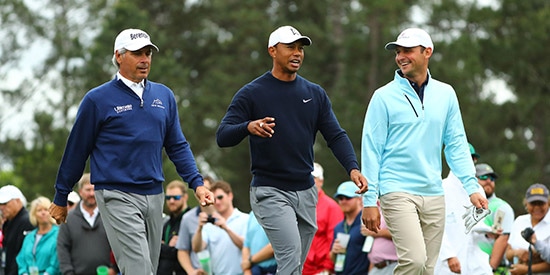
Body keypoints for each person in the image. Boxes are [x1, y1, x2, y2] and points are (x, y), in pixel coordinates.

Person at [48, 28, 214, 275]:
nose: (145, 59)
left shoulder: (164, 96)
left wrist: (197, 183)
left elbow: (177, 145)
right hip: (117, 194)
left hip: (155, 194)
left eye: (148, 53)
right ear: (119, 56)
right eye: (137, 54)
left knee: (148, 268)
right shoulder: (97, 99)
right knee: (139, 269)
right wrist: (61, 197)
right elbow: (76, 151)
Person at [216, 25, 367, 274]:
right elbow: (223, 136)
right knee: (290, 255)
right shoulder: (252, 93)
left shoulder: (314, 94)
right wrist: (248, 126)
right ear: (272, 51)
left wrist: (352, 168)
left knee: (296, 262)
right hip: (270, 190)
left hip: (306, 192)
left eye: (300, 48)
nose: (297, 53)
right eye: (290, 47)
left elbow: (335, 135)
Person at [361, 27, 488, 275]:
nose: (401, 57)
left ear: (427, 52)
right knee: (415, 261)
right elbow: (371, 150)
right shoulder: (382, 97)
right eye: (398, 52)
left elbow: (456, 144)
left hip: (433, 192)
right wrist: (369, 200)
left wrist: (471, 187)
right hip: (396, 189)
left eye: (407, 50)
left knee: (428, 269)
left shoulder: (446, 94)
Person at [435, 143, 492, 275]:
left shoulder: (479, 190)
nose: (470, 162)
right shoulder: (441, 188)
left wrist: (489, 233)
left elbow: (477, 227)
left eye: (473, 159)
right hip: (447, 263)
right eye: (465, 157)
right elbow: (435, 226)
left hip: (474, 262)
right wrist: (448, 255)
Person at [57, 173, 114, 275]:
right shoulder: (68, 219)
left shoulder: (109, 217)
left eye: (94, 189)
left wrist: (114, 269)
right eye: (88, 190)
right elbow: (62, 248)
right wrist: (68, 272)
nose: (92, 193)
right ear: (80, 192)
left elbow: (118, 244)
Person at [192, 180, 249, 275]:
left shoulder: (245, 219)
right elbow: (197, 248)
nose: (217, 202)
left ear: (230, 196)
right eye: (214, 199)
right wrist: (199, 228)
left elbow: (247, 246)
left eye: (220, 197)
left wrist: (226, 228)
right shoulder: (209, 224)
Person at [303, 163, 343, 275]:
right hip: (300, 269)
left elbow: (334, 239)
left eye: (313, 178)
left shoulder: (331, 207)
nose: (309, 181)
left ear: (321, 181)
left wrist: (328, 268)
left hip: (321, 270)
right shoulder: (298, 205)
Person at [474, 163, 515, 273]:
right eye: (483, 177)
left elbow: (502, 239)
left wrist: (490, 269)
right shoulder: (464, 204)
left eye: (492, 178)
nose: (488, 181)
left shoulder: (501, 207)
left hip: (491, 269)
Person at [506, 183, 550, 274]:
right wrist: (517, 253)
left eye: (541, 203)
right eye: (533, 203)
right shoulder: (520, 221)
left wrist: (526, 269)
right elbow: (508, 253)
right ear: (526, 203)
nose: (537, 207)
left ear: (548, 203)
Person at [329, 181, 370, 274]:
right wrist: (334, 252)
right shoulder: (339, 227)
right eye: (340, 198)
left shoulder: (367, 222)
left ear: (359, 199)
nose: (343, 201)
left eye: (348, 198)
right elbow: (332, 258)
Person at [176, 176, 214, 275]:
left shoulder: (225, 215)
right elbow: (182, 250)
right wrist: (191, 271)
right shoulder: (187, 218)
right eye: (199, 191)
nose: (203, 194)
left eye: (207, 190)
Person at [16, 196, 60, 275]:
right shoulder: (29, 237)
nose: (43, 213)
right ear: (34, 214)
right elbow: (21, 259)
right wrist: (23, 273)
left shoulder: (58, 234)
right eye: (39, 210)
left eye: (46, 209)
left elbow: (57, 262)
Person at [0, 185, 35, 275]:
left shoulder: (27, 221)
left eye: (5, 203)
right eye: (0, 204)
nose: (1, 207)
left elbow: (22, 255)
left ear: (18, 201)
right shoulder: (8, 222)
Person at [158, 180, 191, 275]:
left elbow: (179, 252)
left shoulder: (191, 220)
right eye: (168, 197)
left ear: (185, 197)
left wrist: (163, 246)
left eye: (176, 197)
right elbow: (154, 250)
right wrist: (167, 247)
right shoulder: (166, 223)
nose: (171, 201)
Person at [365, 202, 398, 275]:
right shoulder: (377, 208)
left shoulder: (396, 207)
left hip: (392, 265)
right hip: (376, 267)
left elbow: (402, 235)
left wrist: (376, 232)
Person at [241, 211, 277, 275]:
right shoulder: (252, 214)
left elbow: (275, 245)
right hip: (254, 270)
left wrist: (250, 261)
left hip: (273, 270)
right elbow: (246, 244)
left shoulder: (279, 212)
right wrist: (247, 270)